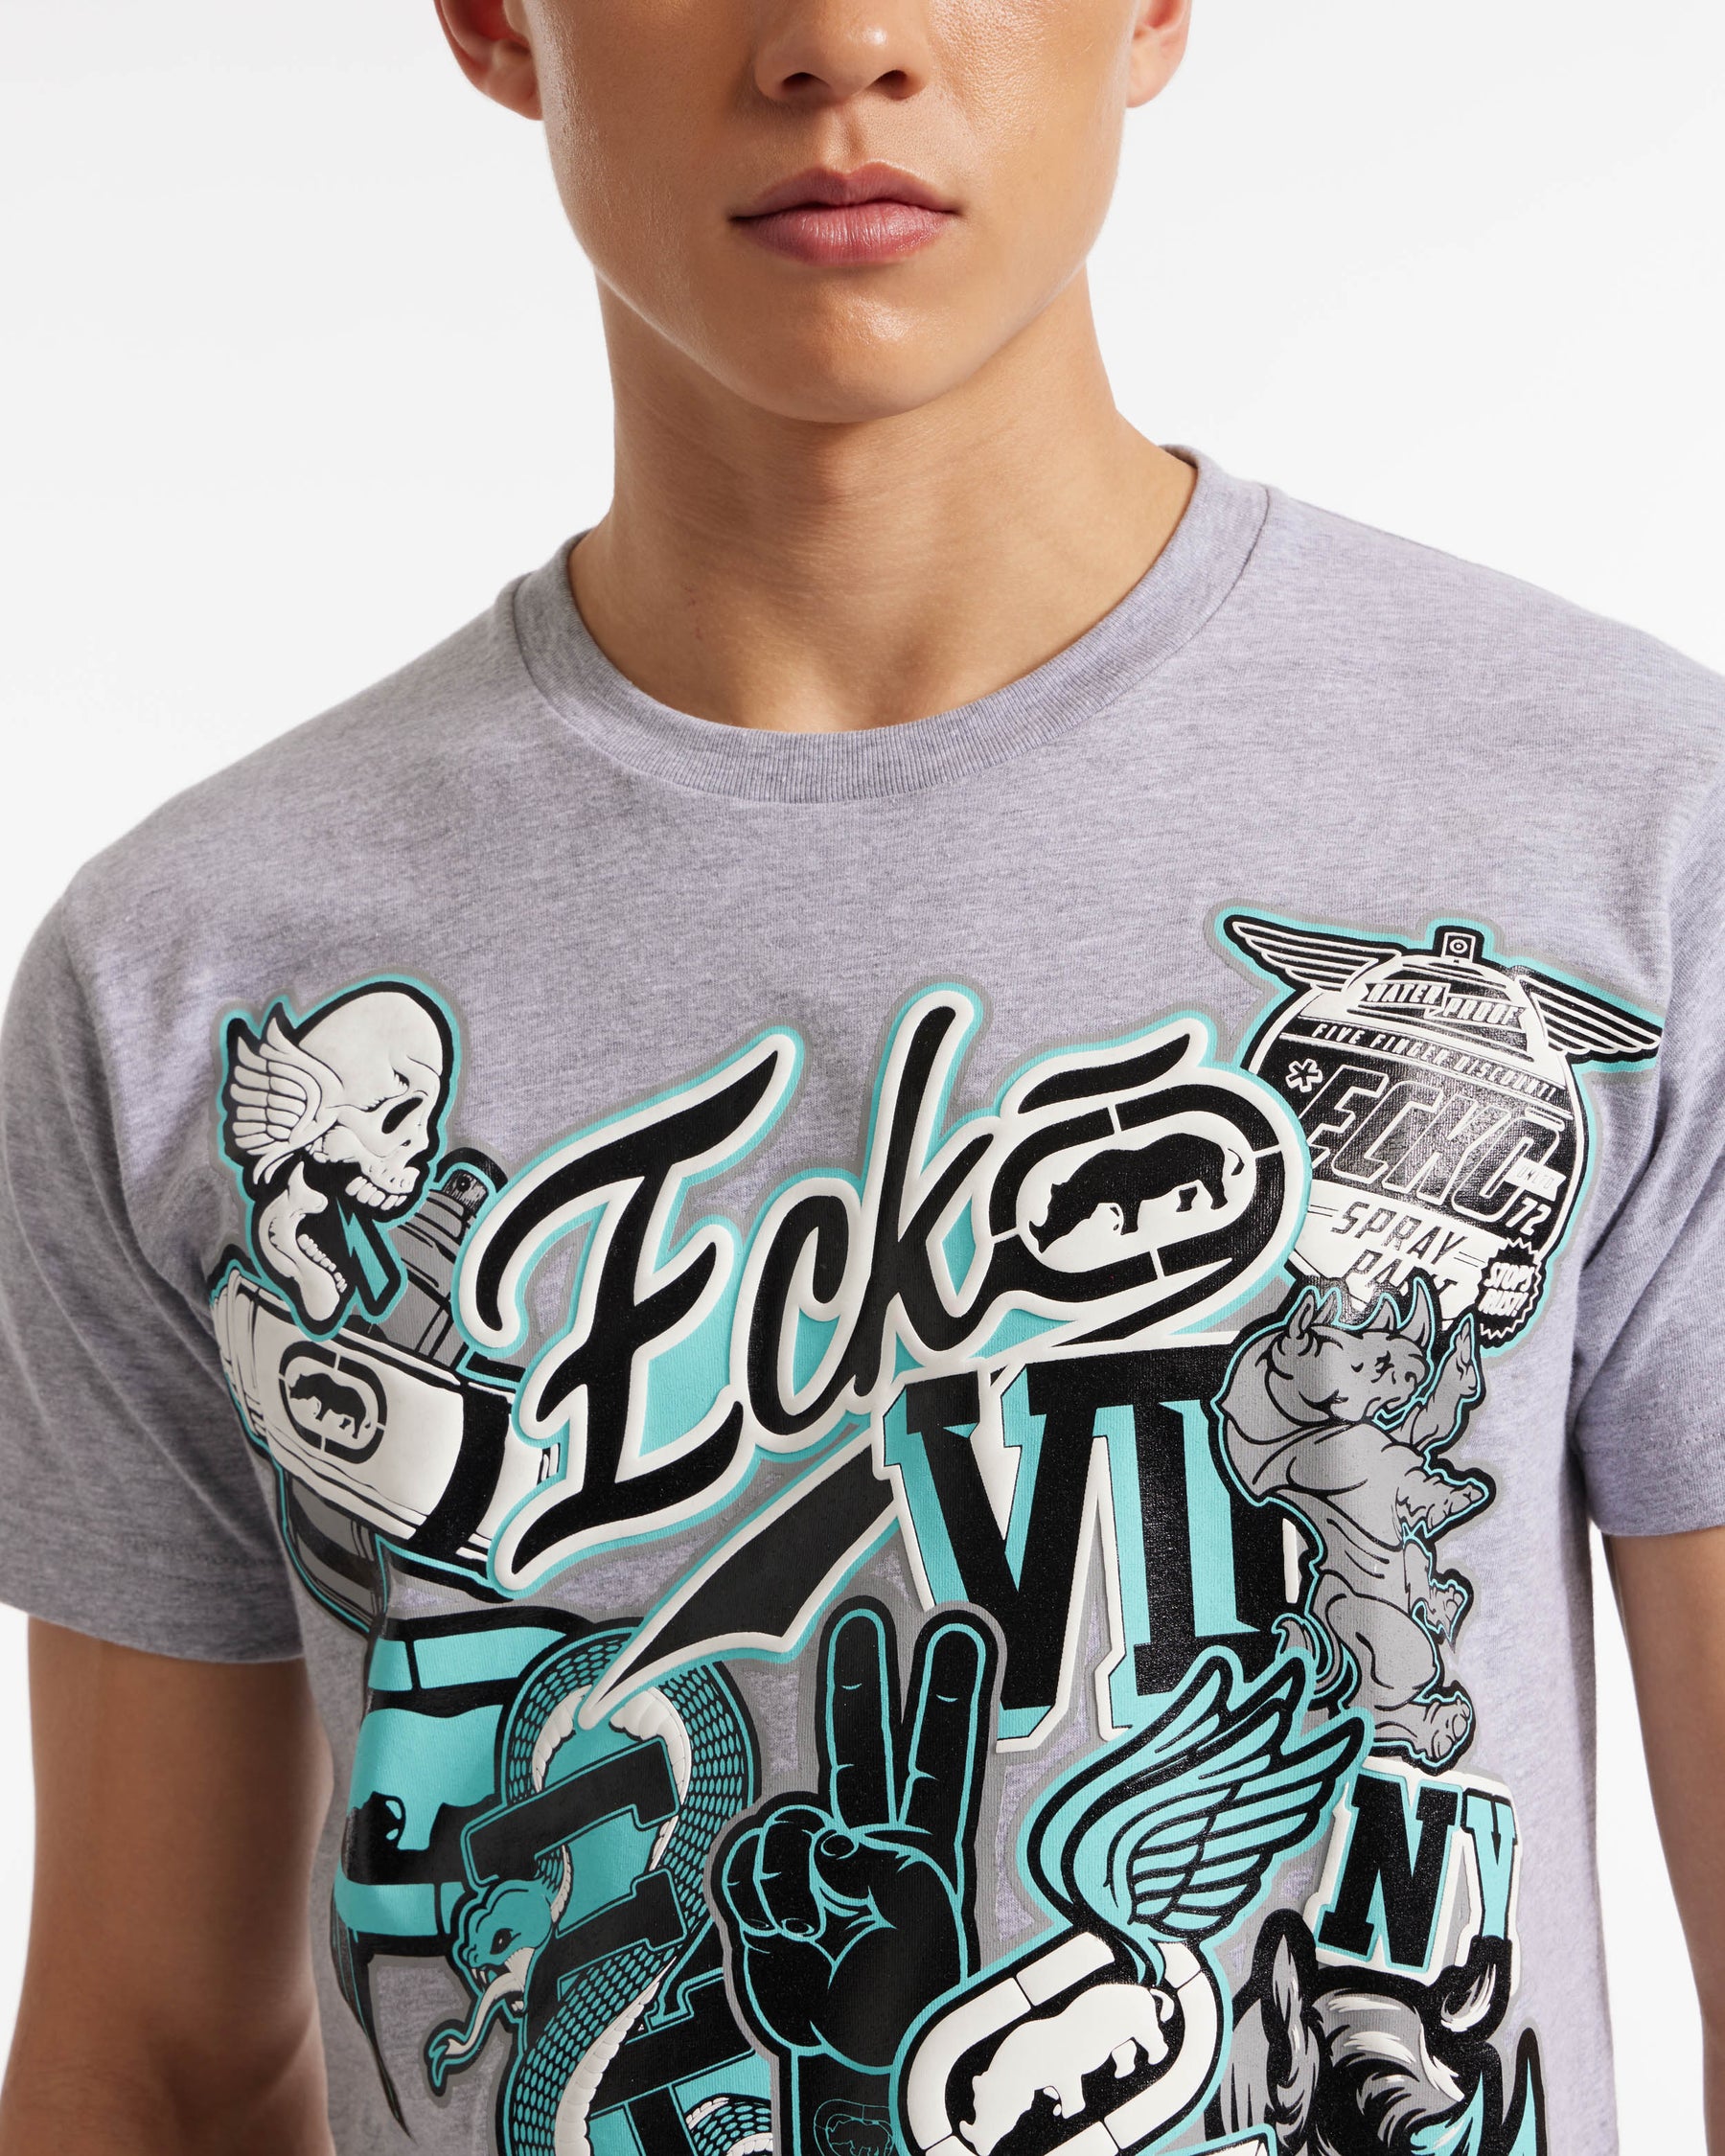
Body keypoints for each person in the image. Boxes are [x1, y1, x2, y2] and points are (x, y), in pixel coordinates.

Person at [0, 3, 1721, 2152]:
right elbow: (153, 2063)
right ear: (495, 21)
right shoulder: (190, 976)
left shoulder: (1627, 836)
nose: (844, 42)